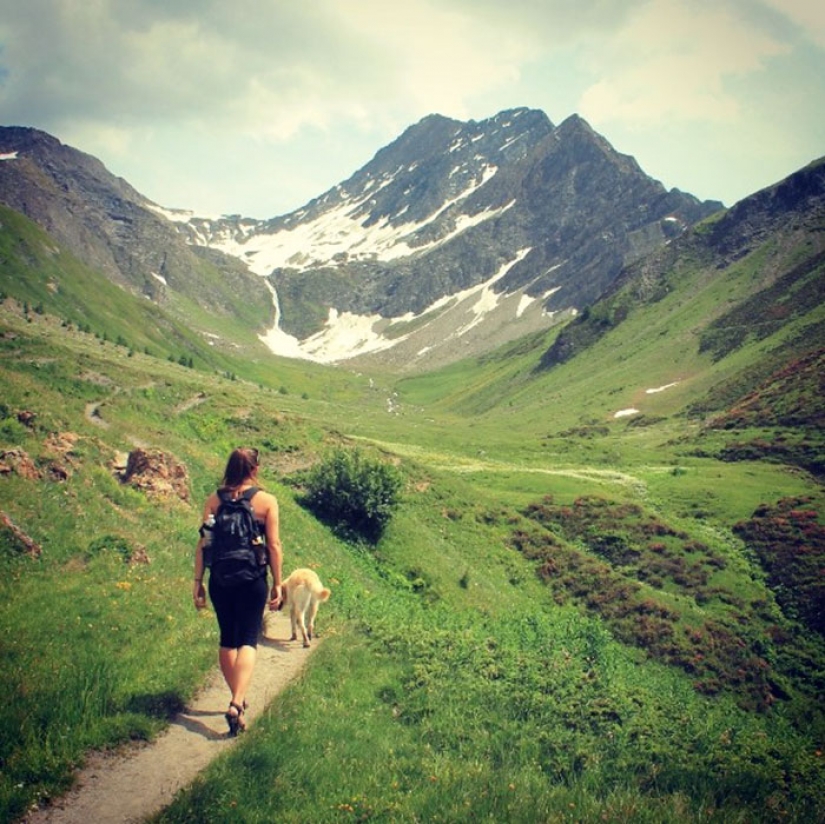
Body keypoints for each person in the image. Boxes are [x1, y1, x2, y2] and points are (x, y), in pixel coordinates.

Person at [192, 447, 283, 735]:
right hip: (252, 579)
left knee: (227, 640)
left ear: (229, 467)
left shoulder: (213, 501)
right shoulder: (266, 501)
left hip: (220, 579)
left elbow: (203, 544)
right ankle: (236, 700)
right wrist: (278, 583)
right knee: (247, 640)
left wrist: (197, 581)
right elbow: (274, 546)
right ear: (255, 469)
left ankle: (237, 701)